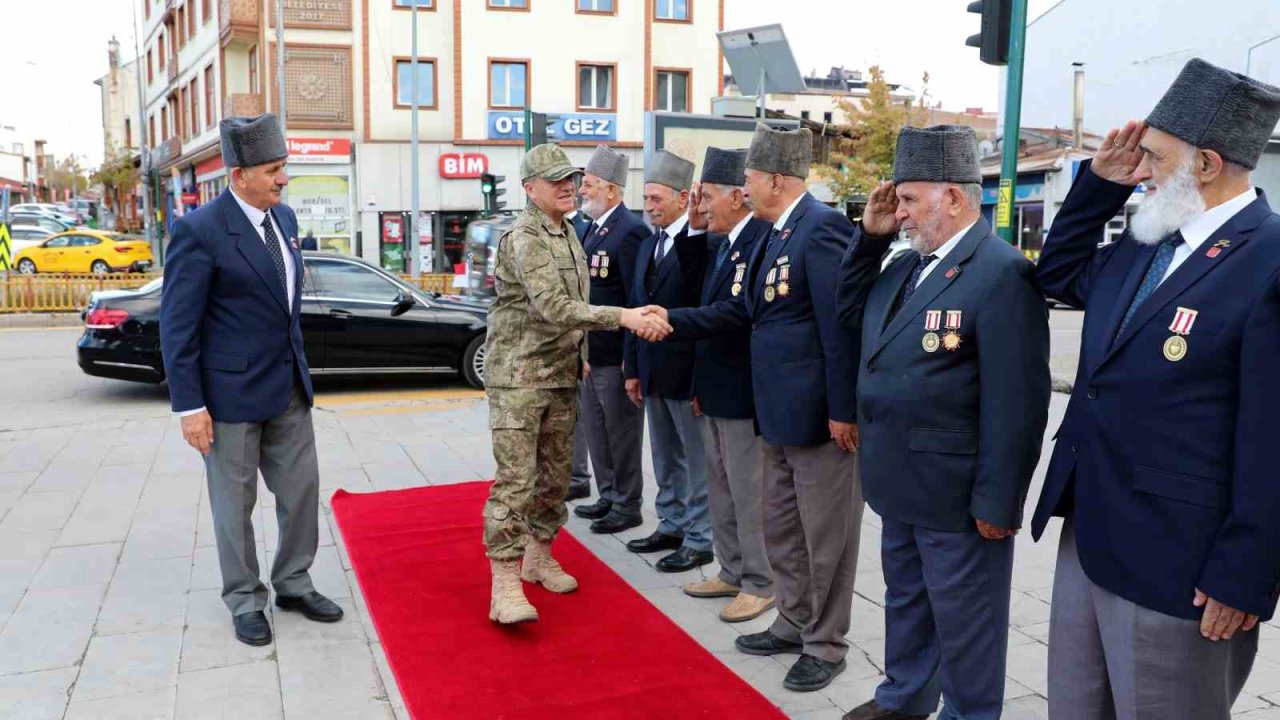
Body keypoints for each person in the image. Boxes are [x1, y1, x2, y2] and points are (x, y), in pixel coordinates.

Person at [1031, 58, 1280, 720]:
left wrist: (1246, 575)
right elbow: (1058, 277)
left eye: (1151, 158)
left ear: (1204, 166)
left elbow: (1272, 440)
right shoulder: (1149, 239)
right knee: (1077, 705)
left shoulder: (1269, 261)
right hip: (1092, 527)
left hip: (1182, 562)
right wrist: (1098, 189)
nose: (1138, 171)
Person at [836, 125, 1051, 720]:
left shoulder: (1001, 271)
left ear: (953, 198)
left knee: (967, 619)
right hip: (900, 480)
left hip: (958, 492)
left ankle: (968, 713)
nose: (898, 214)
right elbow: (849, 314)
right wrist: (869, 241)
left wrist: (999, 500)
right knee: (907, 600)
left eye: (907, 201)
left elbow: (1019, 401)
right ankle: (905, 699)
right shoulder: (907, 267)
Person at [640, 124, 862, 692]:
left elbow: (839, 327)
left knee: (824, 539)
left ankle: (826, 643)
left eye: (751, 179)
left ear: (776, 181)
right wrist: (674, 319)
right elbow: (740, 311)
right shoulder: (774, 234)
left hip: (816, 417)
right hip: (776, 412)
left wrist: (844, 409)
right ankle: (791, 620)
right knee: (784, 530)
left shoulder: (822, 229)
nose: (744, 187)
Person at [160, 113, 344, 647]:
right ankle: (244, 598)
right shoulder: (199, 230)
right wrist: (189, 407)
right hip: (229, 399)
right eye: (271, 170)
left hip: (287, 390)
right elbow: (178, 326)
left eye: (283, 167)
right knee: (233, 506)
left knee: (301, 492)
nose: (282, 178)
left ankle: (293, 582)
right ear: (238, 174)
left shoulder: (283, 220)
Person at [482, 143, 671, 624]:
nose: (568, 186)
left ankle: (539, 557)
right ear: (530, 189)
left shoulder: (567, 231)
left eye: (571, 179)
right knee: (516, 482)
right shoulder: (525, 237)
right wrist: (625, 317)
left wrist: (581, 356)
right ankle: (504, 582)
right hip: (520, 378)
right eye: (556, 181)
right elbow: (555, 307)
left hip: (561, 373)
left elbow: (573, 305)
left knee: (554, 477)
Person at [672, 146, 776, 623]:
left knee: (748, 491)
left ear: (739, 195)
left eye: (708, 196)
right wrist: (694, 227)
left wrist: (668, 320)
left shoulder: (760, 239)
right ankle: (731, 569)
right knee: (721, 487)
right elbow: (695, 286)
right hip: (714, 387)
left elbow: (735, 312)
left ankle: (761, 580)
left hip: (741, 391)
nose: (702, 204)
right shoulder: (725, 240)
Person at [623, 150, 715, 573]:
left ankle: (700, 537)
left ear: (683, 197)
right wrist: (633, 369)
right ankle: (672, 522)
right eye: (646, 198)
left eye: (657, 198)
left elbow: (704, 312)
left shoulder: (702, 244)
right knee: (664, 455)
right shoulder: (648, 244)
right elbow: (634, 307)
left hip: (689, 372)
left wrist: (701, 381)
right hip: (653, 369)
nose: (650, 206)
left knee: (697, 460)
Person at [571, 145, 650, 534]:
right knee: (598, 432)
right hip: (590, 352)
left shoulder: (631, 231)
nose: (581, 190)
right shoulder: (592, 229)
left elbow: (637, 298)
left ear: (611, 190)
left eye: (588, 184)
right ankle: (607, 494)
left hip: (616, 354)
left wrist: (630, 359)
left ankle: (627, 502)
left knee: (621, 434)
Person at [565, 205, 594, 503]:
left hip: (585, 340)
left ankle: (578, 476)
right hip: (560, 340)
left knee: (580, 416)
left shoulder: (584, 230)